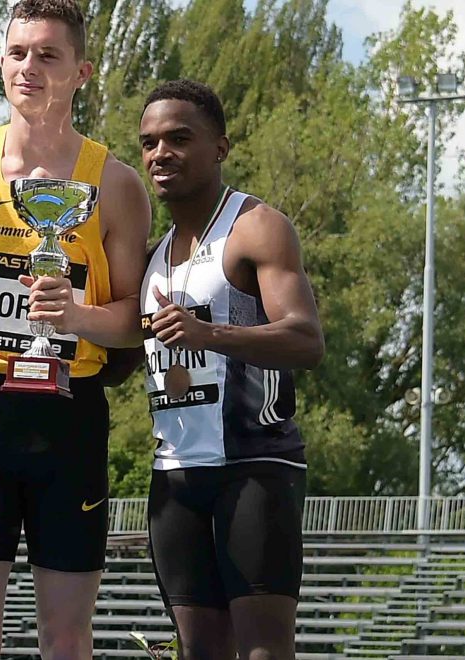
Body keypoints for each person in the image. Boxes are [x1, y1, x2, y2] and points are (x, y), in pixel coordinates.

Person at [0, 1, 152, 657]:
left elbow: (135, 320)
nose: (28, 67)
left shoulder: (116, 184)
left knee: (67, 638)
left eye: (48, 55)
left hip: (69, 418)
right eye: (17, 53)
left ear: (81, 71)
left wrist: (77, 317)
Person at [137, 79, 325, 660]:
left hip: (254, 463)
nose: (161, 153)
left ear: (219, 147)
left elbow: (306, 339)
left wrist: (209, 334)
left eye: (178, 138)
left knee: (264, 649)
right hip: (175, 472)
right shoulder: (153, 255)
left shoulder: (256, 226)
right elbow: (121, 361)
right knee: (197, 651)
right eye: (149, 143)